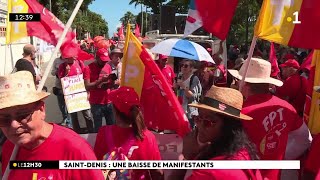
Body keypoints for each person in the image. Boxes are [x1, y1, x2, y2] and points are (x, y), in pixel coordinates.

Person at [0, 71, 104, 180]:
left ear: (41, 109)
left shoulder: (75, 150)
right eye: (3, 119)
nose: (14, 125)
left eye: (22, 115)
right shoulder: (10, 147)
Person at [228, 58, 312, 180]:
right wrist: (281, 156)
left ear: (244, 83)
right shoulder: (287, 108)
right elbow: (306, 139)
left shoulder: (239, 113)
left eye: (238, 80)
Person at [168, 85, 262, 180]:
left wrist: (186, 158)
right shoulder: (242, 152)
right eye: (198, 118)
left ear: (228, 127)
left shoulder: (211, 174)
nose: (199, 126)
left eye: (208, 122)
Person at [94, 86, 164, 180]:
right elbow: (157, 172)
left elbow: (96, 166)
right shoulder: (147, 137)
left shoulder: (103, 133)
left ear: (115, 111)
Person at [58, 44, 94, 133]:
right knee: (74, 116)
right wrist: (66, 72)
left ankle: (91, 131)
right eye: (72, 55)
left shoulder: (79, 63)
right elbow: (62, 80)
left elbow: (85, 77)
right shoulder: (62, 67)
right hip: (71, 96)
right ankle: (77, 132)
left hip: (81, 94)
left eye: (75, 54)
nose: (75, 56)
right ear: (67, 56)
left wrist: (88, 92)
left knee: (88, 115)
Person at [84, 48, 115, 132]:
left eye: (106, 60)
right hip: (96, 103)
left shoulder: (108, 66)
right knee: (98, 128)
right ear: (96, 57)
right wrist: (100, 81)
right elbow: (87, 86)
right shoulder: (88, 68)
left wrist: (112, 81)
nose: (105, 62)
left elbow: (111, 85)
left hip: (108, 101)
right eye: (102, 60)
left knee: (112, 126)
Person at [175, 60, 202, 129]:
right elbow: (176, 92)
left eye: (186, 66)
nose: (183, 67)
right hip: (180, 110)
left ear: (191, 68)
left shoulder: (194, 79)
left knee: (190, 131)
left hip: (190, 111)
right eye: (182, 65)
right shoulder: (180, 77)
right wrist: (175, 85)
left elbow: (192, 96)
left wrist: (184, 86)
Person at [51, 56, 72, 128]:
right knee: (62, 105)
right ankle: (65, 117)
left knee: (69, 104)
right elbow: (52, 72)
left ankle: (69, 121)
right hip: (59, 85)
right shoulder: (56, 60)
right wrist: (58, 71)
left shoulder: (70, 60)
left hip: (69, 86)